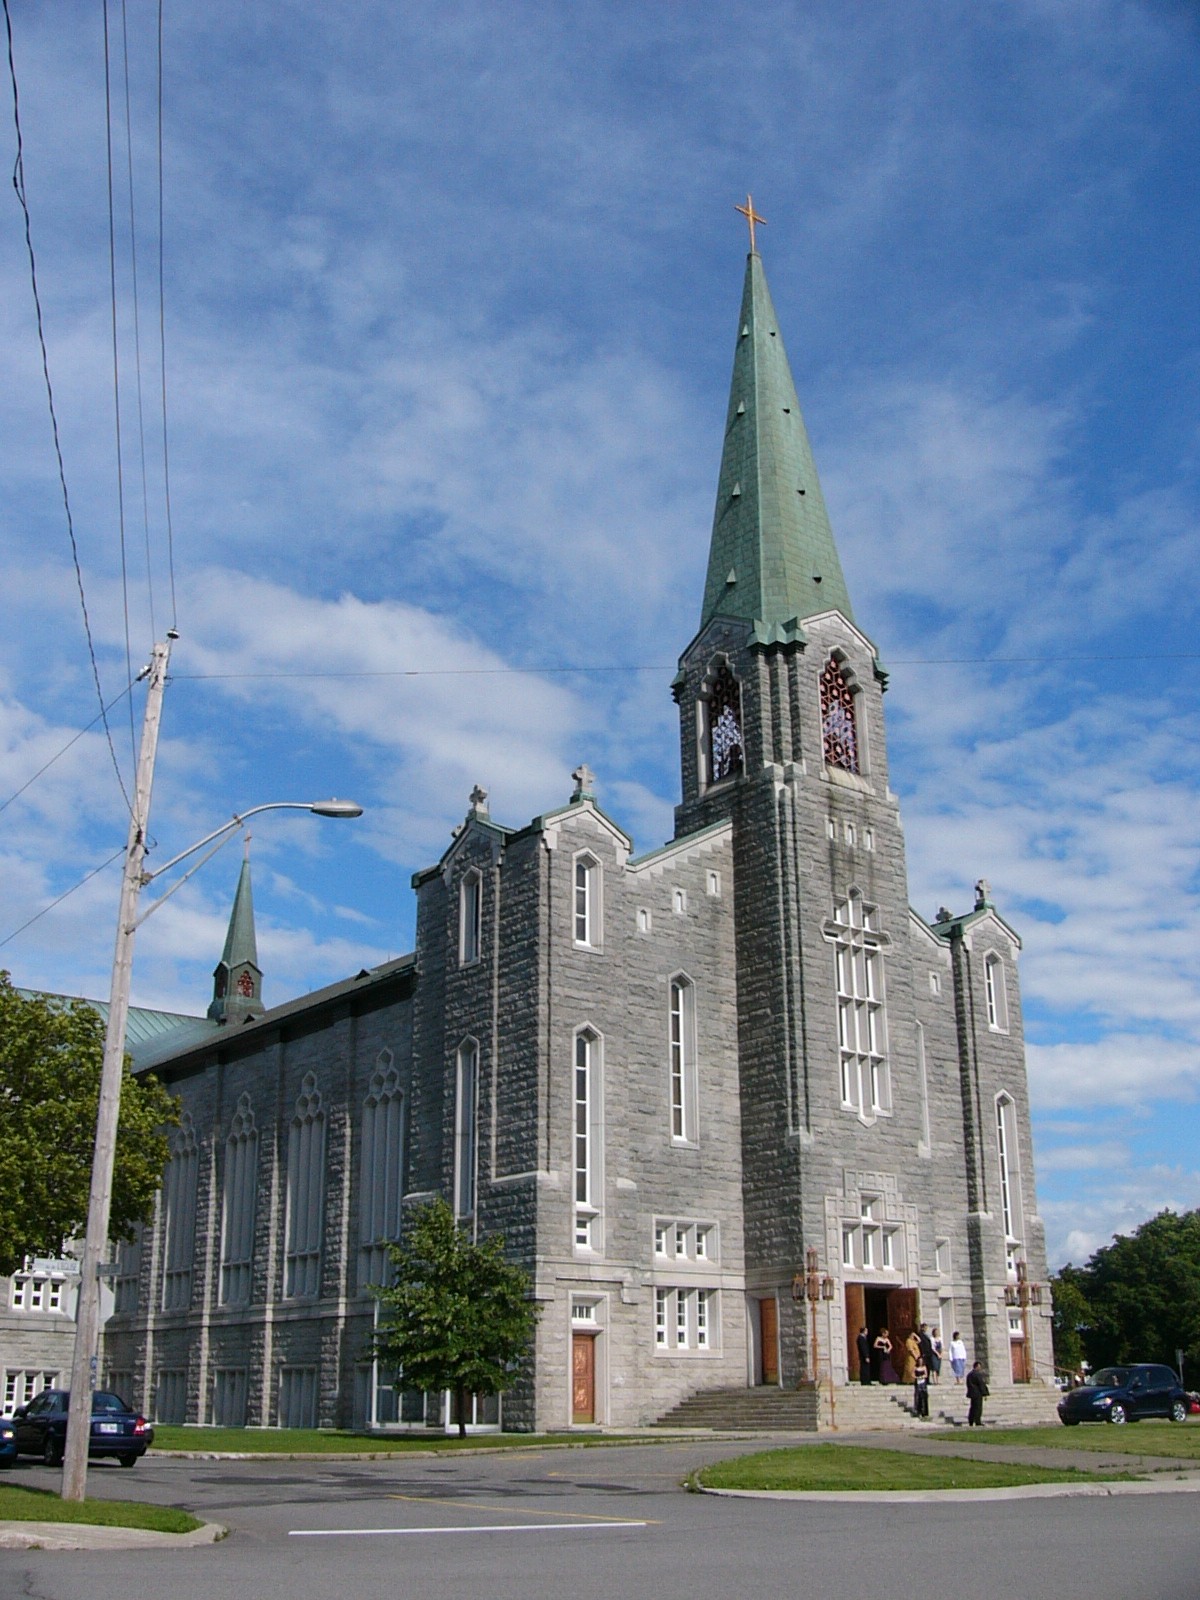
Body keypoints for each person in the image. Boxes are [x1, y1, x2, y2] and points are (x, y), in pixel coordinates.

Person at [966, 1360, 989, 1426]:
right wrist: (984, 1393)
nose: (980, 1368)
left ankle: (971, 1421)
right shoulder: (977, 1375)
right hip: (978, 1394)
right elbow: (981, 1384)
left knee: (972, 1407)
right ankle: (977, 1421)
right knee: (978, 1408)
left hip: (972, 1394)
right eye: (979, 1367)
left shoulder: (969, 1375)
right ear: (977, 1366)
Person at [913, 1355, 930, 1419]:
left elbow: (926, 1374)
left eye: (921, 1361)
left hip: (923, 1383)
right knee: (918, 1396)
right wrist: (916, 1377)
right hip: (918, 1382)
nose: (920, 1362)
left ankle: (924, 1412)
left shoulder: (924, 1367)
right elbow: (912, 1374)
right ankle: (918, 1410)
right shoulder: (915, 1367)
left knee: (924, 1396)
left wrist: (922, 1377)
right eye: (919, 1361)